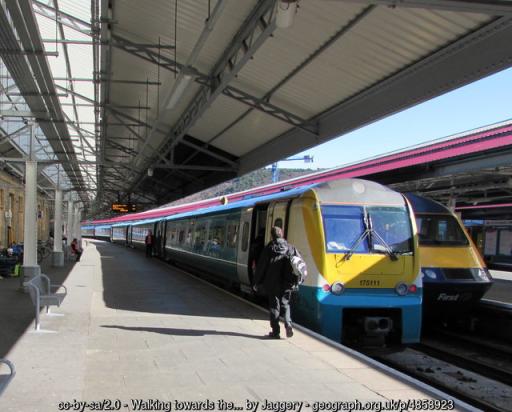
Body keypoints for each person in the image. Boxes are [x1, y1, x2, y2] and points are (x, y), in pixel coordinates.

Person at [253, 226, 295, 339]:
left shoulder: (269, 248)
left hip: (272, 283)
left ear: (272, 236)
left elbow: (261, 267)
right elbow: (298, 264)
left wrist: (256, 282)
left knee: (274, 306)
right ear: (282, 234)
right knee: (285, 304)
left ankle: (276, 332)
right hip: (287, 282)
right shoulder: (290, 247)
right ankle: (288, 324)